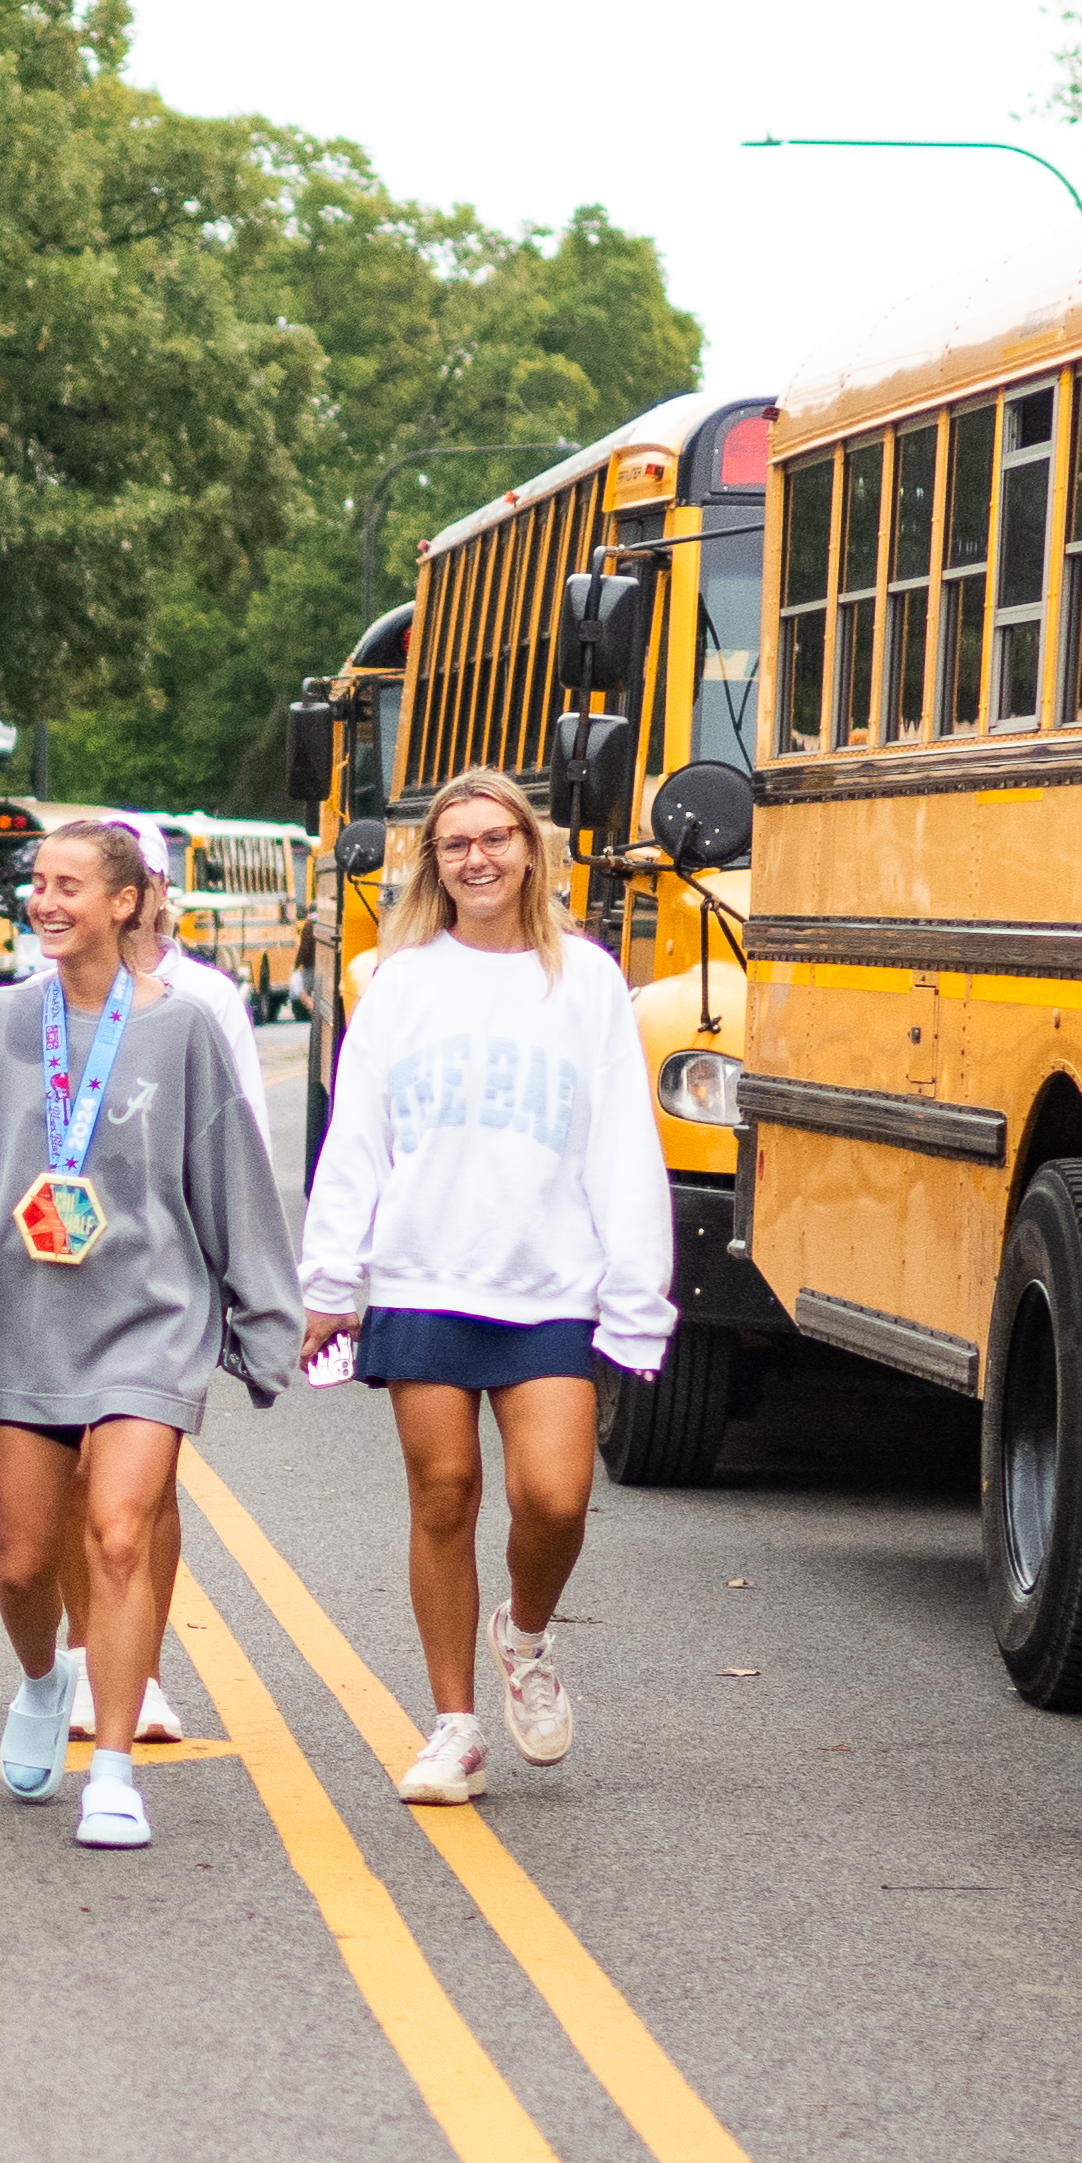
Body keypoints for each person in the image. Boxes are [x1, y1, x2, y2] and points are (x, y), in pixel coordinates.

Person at [0, 805, 297, 1852]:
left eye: (72, 884)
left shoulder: (183, 1026)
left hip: (148, 1323)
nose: (48, 901)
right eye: (39, 883)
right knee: (25, 1564)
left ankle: (111, 1767)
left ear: (126, 901)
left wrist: (265, 1323)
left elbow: (231, 1183)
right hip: (23, 1324)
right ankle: (41, 1678)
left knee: (119, 1531)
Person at [294, 763, 681, 1798]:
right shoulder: (398, 980)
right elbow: (356, 1137)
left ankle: (530, 1632)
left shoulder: (587, 980)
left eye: (495, 837)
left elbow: (622, 1144)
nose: (478, 856)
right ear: (435, 861)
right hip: (423, 1272)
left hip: (549, 1279)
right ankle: (454, 1724)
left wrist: (638, 1291)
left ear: (531, 850)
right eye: (456, 841)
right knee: (445, 1495)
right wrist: (331, 1275)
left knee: (552, 1497)